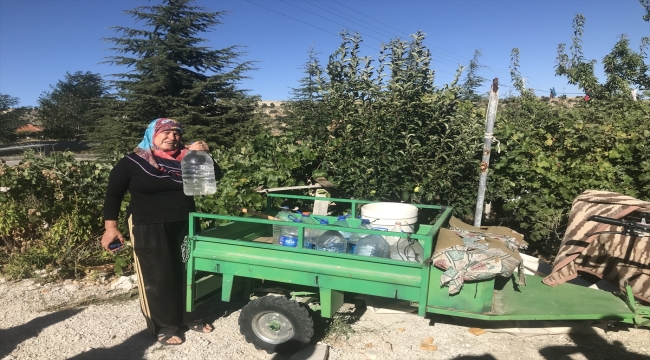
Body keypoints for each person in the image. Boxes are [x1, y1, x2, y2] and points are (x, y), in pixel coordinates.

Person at [101, 118, 219, 345]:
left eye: (177, 133)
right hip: (147, 223)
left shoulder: (189, 158)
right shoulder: (132, 161)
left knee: (188, 269)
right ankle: (164, 325)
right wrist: (111, 228)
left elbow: (214, 178)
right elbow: (113, 195)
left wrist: (205, 155)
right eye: (166, 132)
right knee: (158, 275)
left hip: (185, 222)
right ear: (152, 135)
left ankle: (190, 316)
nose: (172, 138)